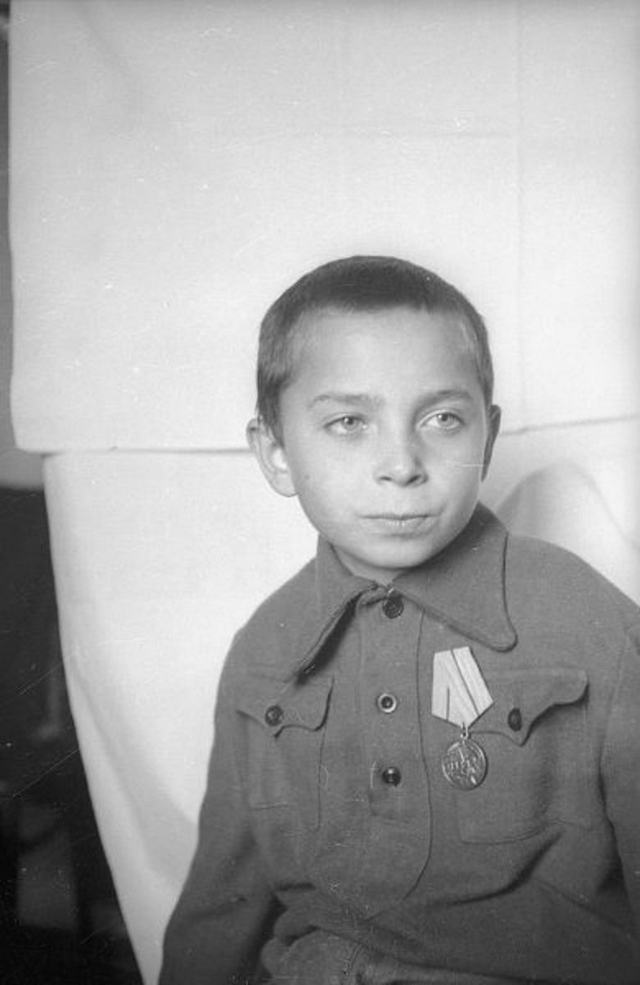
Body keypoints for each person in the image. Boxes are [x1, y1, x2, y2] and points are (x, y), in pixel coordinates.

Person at [160, 256, 640, 985]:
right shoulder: (264, 649)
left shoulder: (590, 623)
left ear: (486, 437)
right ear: (276, 453)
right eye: (349, 422)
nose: (402, 464)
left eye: (442, 418)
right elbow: (221, 905)